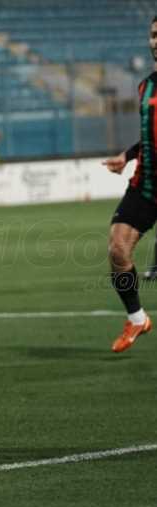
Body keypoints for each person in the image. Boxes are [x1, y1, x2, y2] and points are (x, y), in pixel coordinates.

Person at [100, 15, 157, 353]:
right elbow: (150, 134)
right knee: (117, 250)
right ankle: (137, 319)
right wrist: (128, 155)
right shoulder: (145, 86)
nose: (156, 41)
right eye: (153, 34)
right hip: (146, 185)